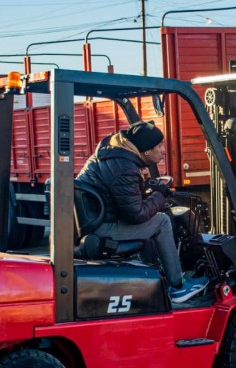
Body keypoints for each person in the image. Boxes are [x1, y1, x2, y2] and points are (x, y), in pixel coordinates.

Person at [77, 120, 208, 303]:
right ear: (146, 151)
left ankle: (156, 274)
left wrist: (148, 189)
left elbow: (121, 194)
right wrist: (159, 195)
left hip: (98, 219)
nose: (163, 151)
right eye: (159, 146)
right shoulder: (125, 168)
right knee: (161, 221)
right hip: (103, 227)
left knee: (152, 218)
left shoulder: (114, 155)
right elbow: (136, 214)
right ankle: (177, 286)